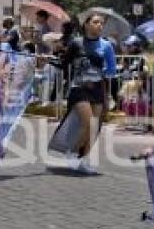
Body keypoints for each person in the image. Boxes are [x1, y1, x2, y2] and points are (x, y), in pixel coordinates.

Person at [48, 13, 117, 174]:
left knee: (94, 127)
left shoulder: (106, 46)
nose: (99, 25)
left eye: (101, 23)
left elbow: (111, 70)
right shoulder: (76, 43)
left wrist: (107, 92)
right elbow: (63, 63)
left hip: (98, 88)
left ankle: (83, 160)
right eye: (95, 22)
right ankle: (72, 153)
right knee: (87, 123)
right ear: (86, 25)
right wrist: (48, 61)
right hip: (78, 88)